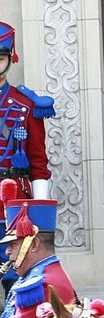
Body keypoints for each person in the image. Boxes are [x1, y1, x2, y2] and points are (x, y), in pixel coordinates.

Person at [0, 21, 55, 288]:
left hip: (15, 206)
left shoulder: (26, 105)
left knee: (15, 275)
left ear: (10, 59)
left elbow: (38, 162)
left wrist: (41, 216)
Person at [0, 194, 77, 318]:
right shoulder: (41, 274)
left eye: (14, 244)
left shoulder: (39, 283)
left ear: (33, 244)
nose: (7, 251)